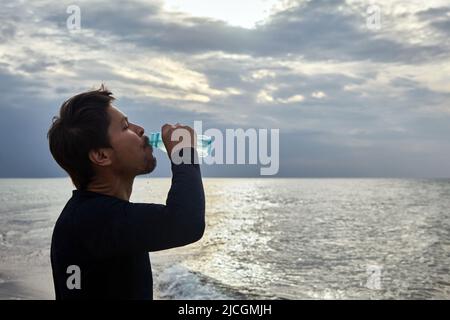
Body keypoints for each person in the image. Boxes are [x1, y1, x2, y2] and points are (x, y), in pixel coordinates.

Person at [47, 85, 205, 299]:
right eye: (125, 127)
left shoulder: (90, 217)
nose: (139, 129)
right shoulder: (92, 220)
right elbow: (186, 223)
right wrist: (183, 152)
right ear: (102, 155)